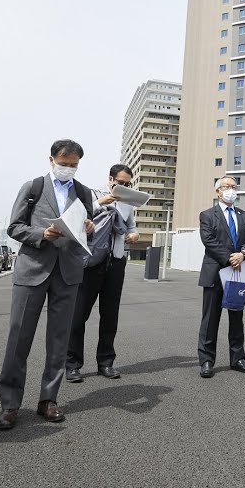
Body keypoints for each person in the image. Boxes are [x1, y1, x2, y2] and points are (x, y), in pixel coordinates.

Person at [0, 139, 96, 430]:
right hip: (33, 269)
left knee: (59, 340)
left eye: (73, 165)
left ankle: (48, 400)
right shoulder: (33, 187)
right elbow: (14, 227)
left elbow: (85, 226)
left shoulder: (83, 192)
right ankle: (10, 404)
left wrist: (88, 226)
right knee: (18, 339)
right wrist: (42, 234)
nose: (68, 168)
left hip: (68, 272)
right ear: (51, 159)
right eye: (64, 163)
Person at [65, 164, 141, 383]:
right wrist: (100, 204)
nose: (124, 186)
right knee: (78, 315)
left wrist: (134, 235)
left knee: (110, 316)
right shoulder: (90, 194)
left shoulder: (128, 203)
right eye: (121, 182)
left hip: (115, 261)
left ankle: (106, 363)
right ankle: (72, 365)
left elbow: (131, 227)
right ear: (110, 179)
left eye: (128, 184)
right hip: (89, 261)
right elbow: (76, 219)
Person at [196, 176, 245, 377]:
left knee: (236, 317)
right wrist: (230, 258)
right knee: (210, 319)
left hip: (238, 274)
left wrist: (243, 254)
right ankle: (206, 361)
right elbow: (209, 240)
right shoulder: (207, 215)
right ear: (218, 192)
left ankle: (238, 358)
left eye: (233, 187)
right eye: (226, 187)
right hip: (216, 272)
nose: (230, 190)